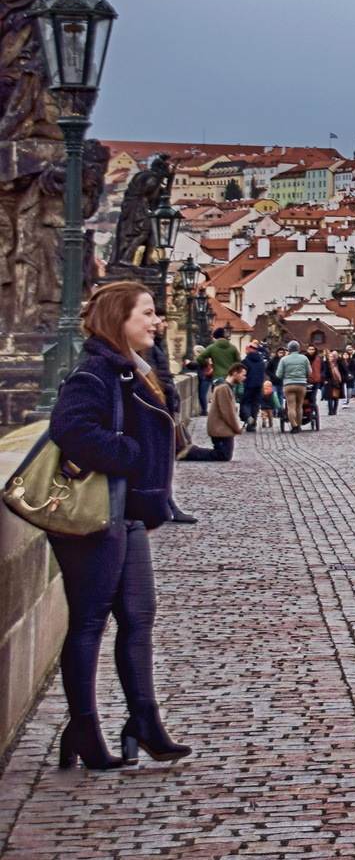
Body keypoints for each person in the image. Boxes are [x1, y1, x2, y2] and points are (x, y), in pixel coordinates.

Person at [47, 280, 193, 771]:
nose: (157, 322)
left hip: (127, 511)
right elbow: (70, 429)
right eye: (147, 313)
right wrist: (129, 454)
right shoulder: (96, 370)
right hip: (94, 513)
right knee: (89, 620)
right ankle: (83, 727)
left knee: (139, 617)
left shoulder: (136, 369)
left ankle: (144, 722)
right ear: (118, 318)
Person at [183, 361, 247, 462]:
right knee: (222, 455)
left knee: (224, 455)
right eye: (243, 375)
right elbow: (227, 412)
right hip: (220, 429)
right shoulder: (224, 388)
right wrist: (236, 428)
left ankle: (191, 451)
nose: (244, 378)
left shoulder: (226, 387)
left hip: (223, 428)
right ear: (235, 373)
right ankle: (191, 451)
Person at [194, 328, 238, 416]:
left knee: (218, 400)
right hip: (230, 378)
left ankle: (220, 417)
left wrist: (209, 364)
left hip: (218, 378)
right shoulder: (233, 348)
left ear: (215, 338)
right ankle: (230, 415)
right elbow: (238, 363)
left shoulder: (213, 347)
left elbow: (199, 358)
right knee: (229, 398)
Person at [274, 340, 311, 434]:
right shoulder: (304, 358)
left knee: (291, 406)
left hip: (288, 384)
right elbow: (309, 372)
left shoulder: (284, 359)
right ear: (298, 348)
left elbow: (278, 374)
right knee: (299, 406)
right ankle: (299, 425)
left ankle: (293, 426)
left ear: (289, 349)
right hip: (301, 384)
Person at [238, 340, 268, 431]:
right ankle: (253, 424)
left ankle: (248, 418)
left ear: (247, 350)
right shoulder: (261, 361)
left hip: (248, 385)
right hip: (258, 385)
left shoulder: (245, 361)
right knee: (255, 404)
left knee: (245, 403)